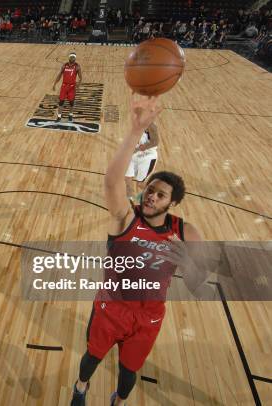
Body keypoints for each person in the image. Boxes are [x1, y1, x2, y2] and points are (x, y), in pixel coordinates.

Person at [69, 95, 206, 406]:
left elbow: (201, 275)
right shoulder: (126, 217)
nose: (151, 197)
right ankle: (80, 388)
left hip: (149, 316)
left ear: (172, 203)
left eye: (160, 195)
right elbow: (111, 182)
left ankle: (118, 401)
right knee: (92, 357)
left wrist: (185, 261)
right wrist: (134, 131)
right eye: (150, 190)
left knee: (129, 372)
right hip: (112, 307)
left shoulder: (185, 231)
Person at [125, 122, 159, 199]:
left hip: (147, 157)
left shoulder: (151, 125)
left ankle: (159, 196)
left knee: (140, 184)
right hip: (134, 155)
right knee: (127, 178)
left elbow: (155, 142)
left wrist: (142, 147)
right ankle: (129, 199)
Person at [52, 52, 82, 121]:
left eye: (74, 57)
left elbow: (80, 77)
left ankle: (70, 114)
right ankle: (59, 116)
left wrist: (79, 84)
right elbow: (59, 75)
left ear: (75, 58)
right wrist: (55, 84)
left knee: (71, 102)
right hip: (64, 86)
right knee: (61, 101)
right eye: (71, 57)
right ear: (69, 58)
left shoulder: (77, 66)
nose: (72, 58)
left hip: (72, 87)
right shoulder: (64, 65)